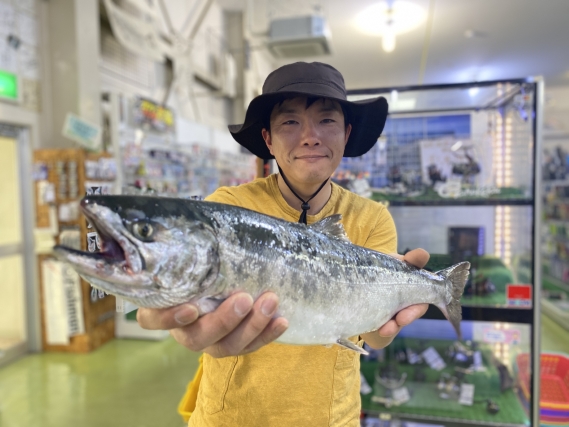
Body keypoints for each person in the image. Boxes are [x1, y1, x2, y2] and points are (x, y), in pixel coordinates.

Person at [137, 62, 430, 426]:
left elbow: (374, 336)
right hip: (230, 418)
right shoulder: (229, 208)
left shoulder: (371, 218)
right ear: (268, 140)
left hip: (330, 418)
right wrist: (178, 311)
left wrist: (391, 311)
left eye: (326, 120)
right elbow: (200, 300)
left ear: (346, 133)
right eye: (290, 122)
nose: (310, 136)